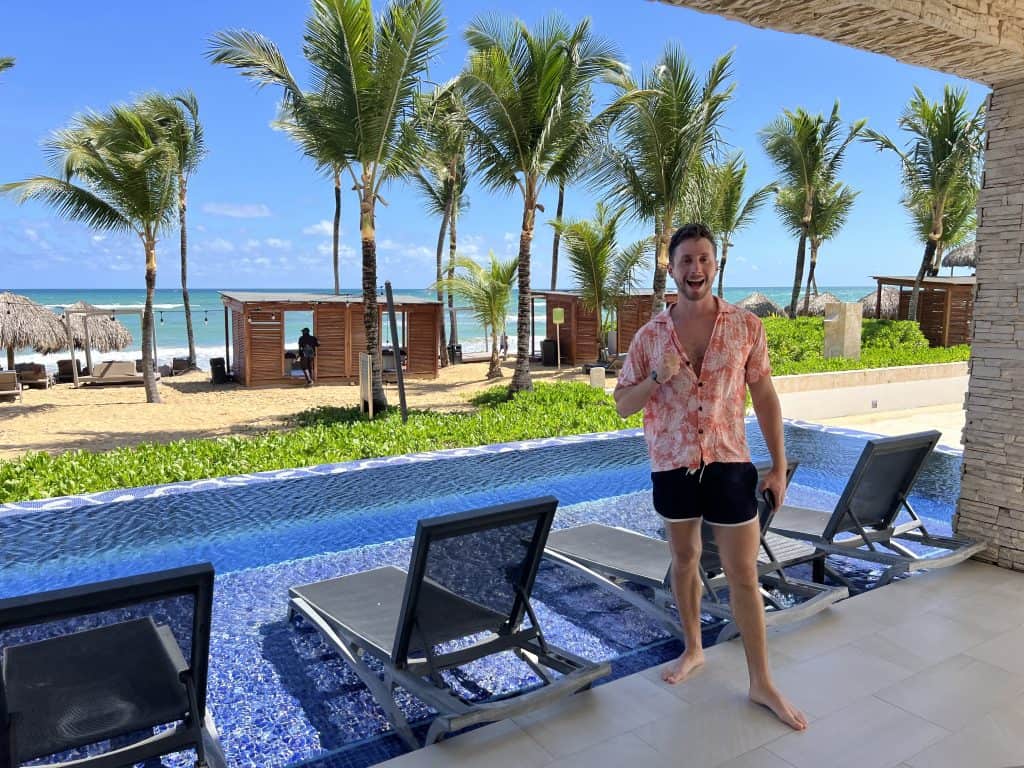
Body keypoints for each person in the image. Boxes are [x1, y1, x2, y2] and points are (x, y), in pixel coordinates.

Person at [613, 222, 807, 731]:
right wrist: (658, 376)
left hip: (728, 460)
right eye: (685, 261)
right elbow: (621, 405)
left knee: (743, 573)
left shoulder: (746, 327)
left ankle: (761, 681)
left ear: (714, 264)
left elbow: (764, 397)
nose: (694, 269)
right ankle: (694, 648)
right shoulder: (650, 337)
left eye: (703, 259)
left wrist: (779, 466)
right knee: (685, 560)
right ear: (671, 268)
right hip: (673, 463)